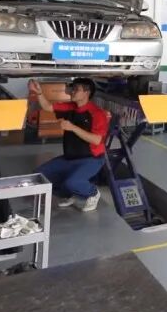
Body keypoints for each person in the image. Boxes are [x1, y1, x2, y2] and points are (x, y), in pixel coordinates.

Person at [30, 78, 109, 212]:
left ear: (87, 92)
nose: (72, 91)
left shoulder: (97, 113)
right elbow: (47, 107)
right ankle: (70, 195)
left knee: (72, 182)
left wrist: (73, 128)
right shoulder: (71, 107)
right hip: (70, 158)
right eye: (72, 88)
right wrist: (39, 93)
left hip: (91, 159)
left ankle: (93, 193)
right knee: (40, 175)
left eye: (76, 89)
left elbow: (96, 140)